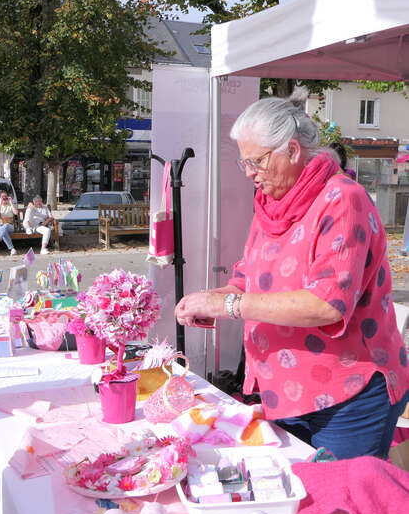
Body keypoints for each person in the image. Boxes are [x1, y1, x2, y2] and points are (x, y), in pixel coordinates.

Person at [175, 90, 409, 460]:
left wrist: (231, 305)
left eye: (256, 161)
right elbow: (246, 280)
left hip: (347, 392)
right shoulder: (273, 203)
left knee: (339, 503)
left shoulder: (342, 199)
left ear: (293, 151)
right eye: (244, 163)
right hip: (285, 389)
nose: (250, 173)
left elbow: (326, 305)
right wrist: (209, 300)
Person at [0, 191, 19, 255]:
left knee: (6, 226)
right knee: (3, 231)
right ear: (0, 198)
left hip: (10, 226)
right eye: (2, 197)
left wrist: (11, 203)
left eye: (5, 197)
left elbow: (16, 213)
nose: (4, 198)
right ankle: (12, 249)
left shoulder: (10, 206)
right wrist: (0, 204)